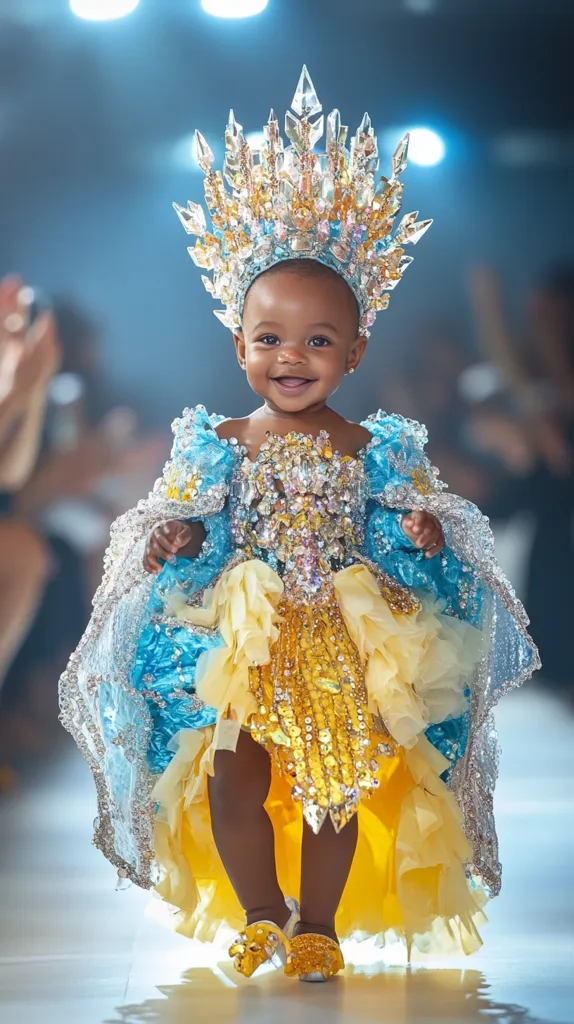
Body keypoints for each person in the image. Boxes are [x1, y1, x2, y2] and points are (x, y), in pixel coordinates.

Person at [60, 69, 539, 982]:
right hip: (247, 633)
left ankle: (317, 920)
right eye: (270, 338)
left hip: (342, 635)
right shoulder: (218, 440)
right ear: (237, 343)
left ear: (355, 351)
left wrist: (422, 538)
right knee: (231, 775)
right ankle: (258, 912)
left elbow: (405, 530)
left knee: (334, 790)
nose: (292, 358)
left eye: (319, 340)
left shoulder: (374, 445)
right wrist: (177, 541)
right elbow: (190, 524)